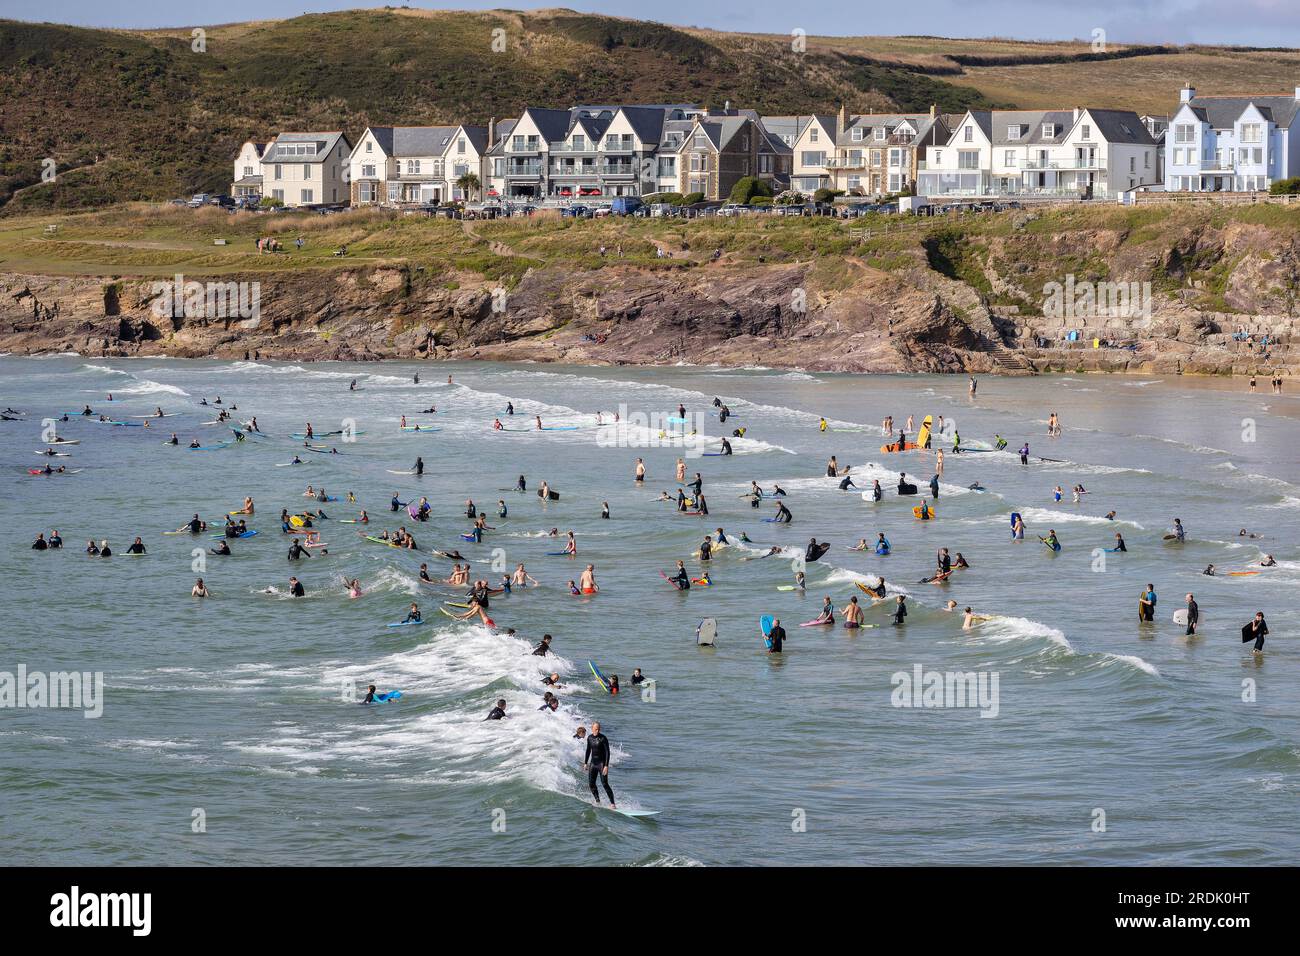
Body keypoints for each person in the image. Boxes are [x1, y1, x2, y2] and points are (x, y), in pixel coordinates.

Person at [583, 722, 616, 808]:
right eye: (596, 729)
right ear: (592, 728)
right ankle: (597, 801)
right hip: (593, 764)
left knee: (604, 783)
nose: (597, 730)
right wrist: (585, 763)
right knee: (591, 784)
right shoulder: (589, 738)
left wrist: (606, 766)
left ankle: (613, 804)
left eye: (598, 729)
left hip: (601, 764)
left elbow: (607, 752)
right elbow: (588, 751)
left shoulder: (603, 738)